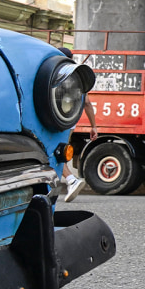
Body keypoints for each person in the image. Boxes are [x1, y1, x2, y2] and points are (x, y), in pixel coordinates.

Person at [57, 47, 98, 203]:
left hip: (54, 120)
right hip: (70, 122)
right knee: (61, 151)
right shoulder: (77, 75)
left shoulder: (55, 72)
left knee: (54, 153)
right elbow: (86, 103)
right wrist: (93, 126)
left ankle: (71, 180)